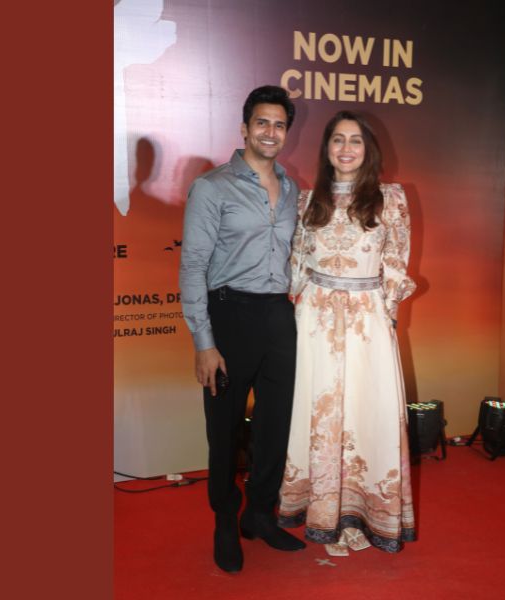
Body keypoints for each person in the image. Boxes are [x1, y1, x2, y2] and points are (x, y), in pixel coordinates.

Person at [277, 110, 417, 556]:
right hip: (315, 321)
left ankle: (364, 511)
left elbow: (396, 262)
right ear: (326, 148)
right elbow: (297, 265)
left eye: (355, 140)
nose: (346, 148)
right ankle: (321, 511)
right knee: (317, 411)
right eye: (337, 139)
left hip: (366, 320)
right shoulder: (307, 200)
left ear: (368, 148)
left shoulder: (390, 198)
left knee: (367, 410)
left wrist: (385, 316)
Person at [179, 85, 306, 573]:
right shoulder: (212, 187)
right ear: (245, 128)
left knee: (276, 425)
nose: (271, 132)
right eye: (262, 123)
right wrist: (204, 344)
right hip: (229, 315)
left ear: (286, 132)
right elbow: (193, 267)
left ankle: (260, 514)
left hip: (279, 316)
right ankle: (225, 520)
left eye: (279, 125)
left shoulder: (292, 189)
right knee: (224, 428)